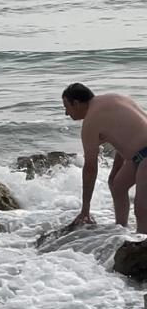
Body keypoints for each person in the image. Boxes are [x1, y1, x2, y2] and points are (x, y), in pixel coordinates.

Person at [62, 83, 147, 232]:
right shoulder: (114, 98)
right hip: (139, 155)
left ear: (76, 103)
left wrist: (85, 210)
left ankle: (140, 249)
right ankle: (120, 231)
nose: (66, 113)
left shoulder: (91, 121)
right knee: (118, 185)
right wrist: (115, 171)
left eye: (66, 107)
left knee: (142, 209)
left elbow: (90, 168)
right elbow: (126, 136)